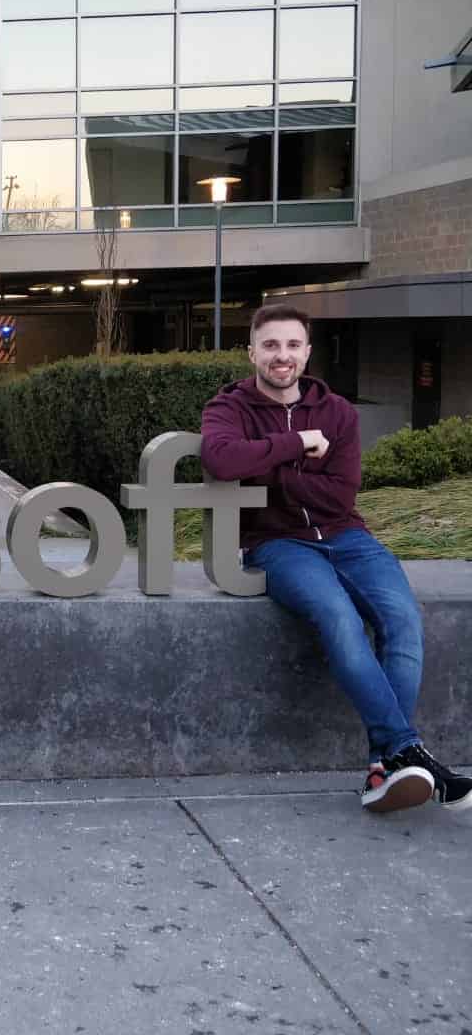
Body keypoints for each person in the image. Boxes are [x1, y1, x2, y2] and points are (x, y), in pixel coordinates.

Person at [201, 303, 470, 815]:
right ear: (252, 352)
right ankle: (404, 751)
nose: (282, 356)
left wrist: (268, 466)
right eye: (271, 345)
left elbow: (339, 495)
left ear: (307, 352)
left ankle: (385, 765)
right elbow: (220, 459)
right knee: (338, 617)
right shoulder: (228, 407)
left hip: (349, 537)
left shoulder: (339, 412)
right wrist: (297, 444)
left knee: (402, 620)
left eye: (292, 345)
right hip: (276, 542)